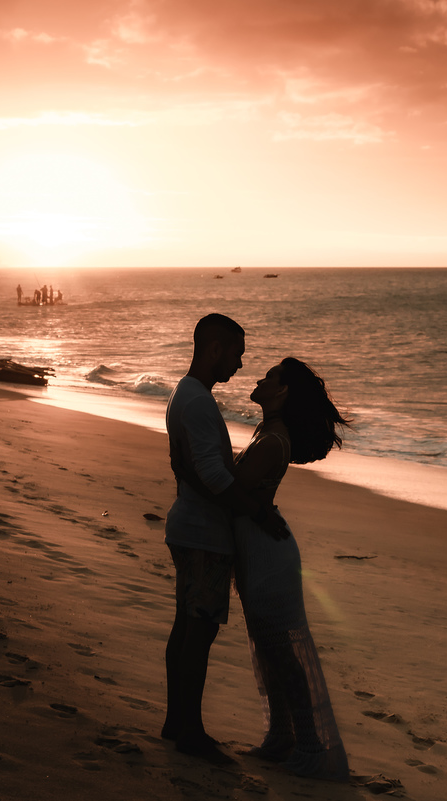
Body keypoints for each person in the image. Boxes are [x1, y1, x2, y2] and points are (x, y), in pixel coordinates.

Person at [162, 313, 284, 763]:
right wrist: (258, 513)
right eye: (236, 354)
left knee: (186, 629)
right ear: (214, 349)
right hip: (203, 536)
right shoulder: (196, 401)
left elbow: (193, 466)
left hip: (190, 528)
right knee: (199, 633)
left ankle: (178, 722)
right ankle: (190, 730)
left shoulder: (186, 394)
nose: (238, 365)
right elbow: (212, 474)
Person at [232, 357, 352, 781]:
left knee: (282, 651)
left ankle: (309, 744)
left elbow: (231, 491)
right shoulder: (268, 433)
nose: (259, 380)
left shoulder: (273, 440)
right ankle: (282, 736)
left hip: (267, 555)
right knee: (270, 649)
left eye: (269, 377)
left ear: (282, 392)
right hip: (258, 549)